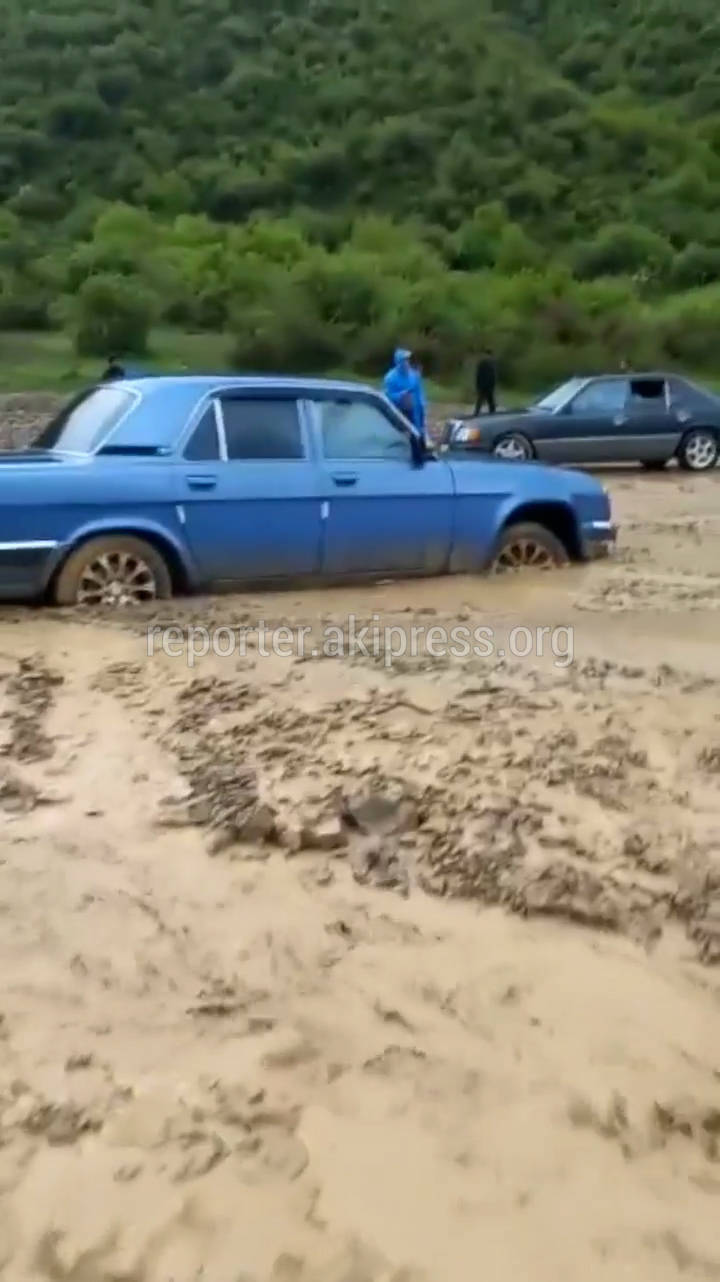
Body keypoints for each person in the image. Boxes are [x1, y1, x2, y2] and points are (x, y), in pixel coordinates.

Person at [383, 348, 427, 442]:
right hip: (400, 413)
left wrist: (422, 407)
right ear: (398, 362)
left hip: (415, 413)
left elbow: (420, 394)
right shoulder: (390, 378)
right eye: (404, 360)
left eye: (408, 360)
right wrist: (401, 396)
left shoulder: (413, 375)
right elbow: (387, 397)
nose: (407, 362)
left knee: (417, 439)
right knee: (402, 439)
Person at [474, 346, 497, 415]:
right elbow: (494, 375)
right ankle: (492, 413)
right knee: (490, 400)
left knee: (481, 399)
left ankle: (477, 412)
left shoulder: (482, 362)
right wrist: (493, 385)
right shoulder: (493, 363)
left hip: (482, 384)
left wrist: (478, 385)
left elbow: (478, 374)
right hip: (489, 385)